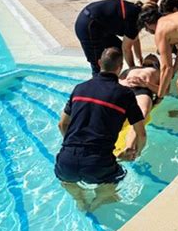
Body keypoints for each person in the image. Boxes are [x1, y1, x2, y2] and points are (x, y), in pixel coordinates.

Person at [55, 47, 146, 212]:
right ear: (120, 67)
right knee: (119, 175)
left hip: (66, 160)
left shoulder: (79, 88)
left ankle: (79, 199)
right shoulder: (124, 94)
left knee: (66, 179)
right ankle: (101, 198)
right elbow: (141, 132)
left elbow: (62, 124)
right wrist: (133, 153)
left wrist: (72, 147)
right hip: (97, 163)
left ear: (98, 63)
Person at [75, 0, 144, 75]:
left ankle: (111, 78)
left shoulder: (138, 12)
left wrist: (140, 60)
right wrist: (133, 71)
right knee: (97, 64)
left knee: (116, 51)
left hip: (100, 25)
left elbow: (134, 39)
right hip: (87, 26)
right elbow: (126, 49)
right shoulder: (134, 20)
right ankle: (99, 83)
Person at [119, 54, 161, 149]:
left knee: (140, 117)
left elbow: (163, 91)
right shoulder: (131, 69)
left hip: (143, 89)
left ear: (157, 64)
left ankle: (128, 148)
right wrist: (125, 82)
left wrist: (146, 84)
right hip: (125, 87)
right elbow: (117, 80)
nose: (150, 55)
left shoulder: (159, 72)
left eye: (154, 58)